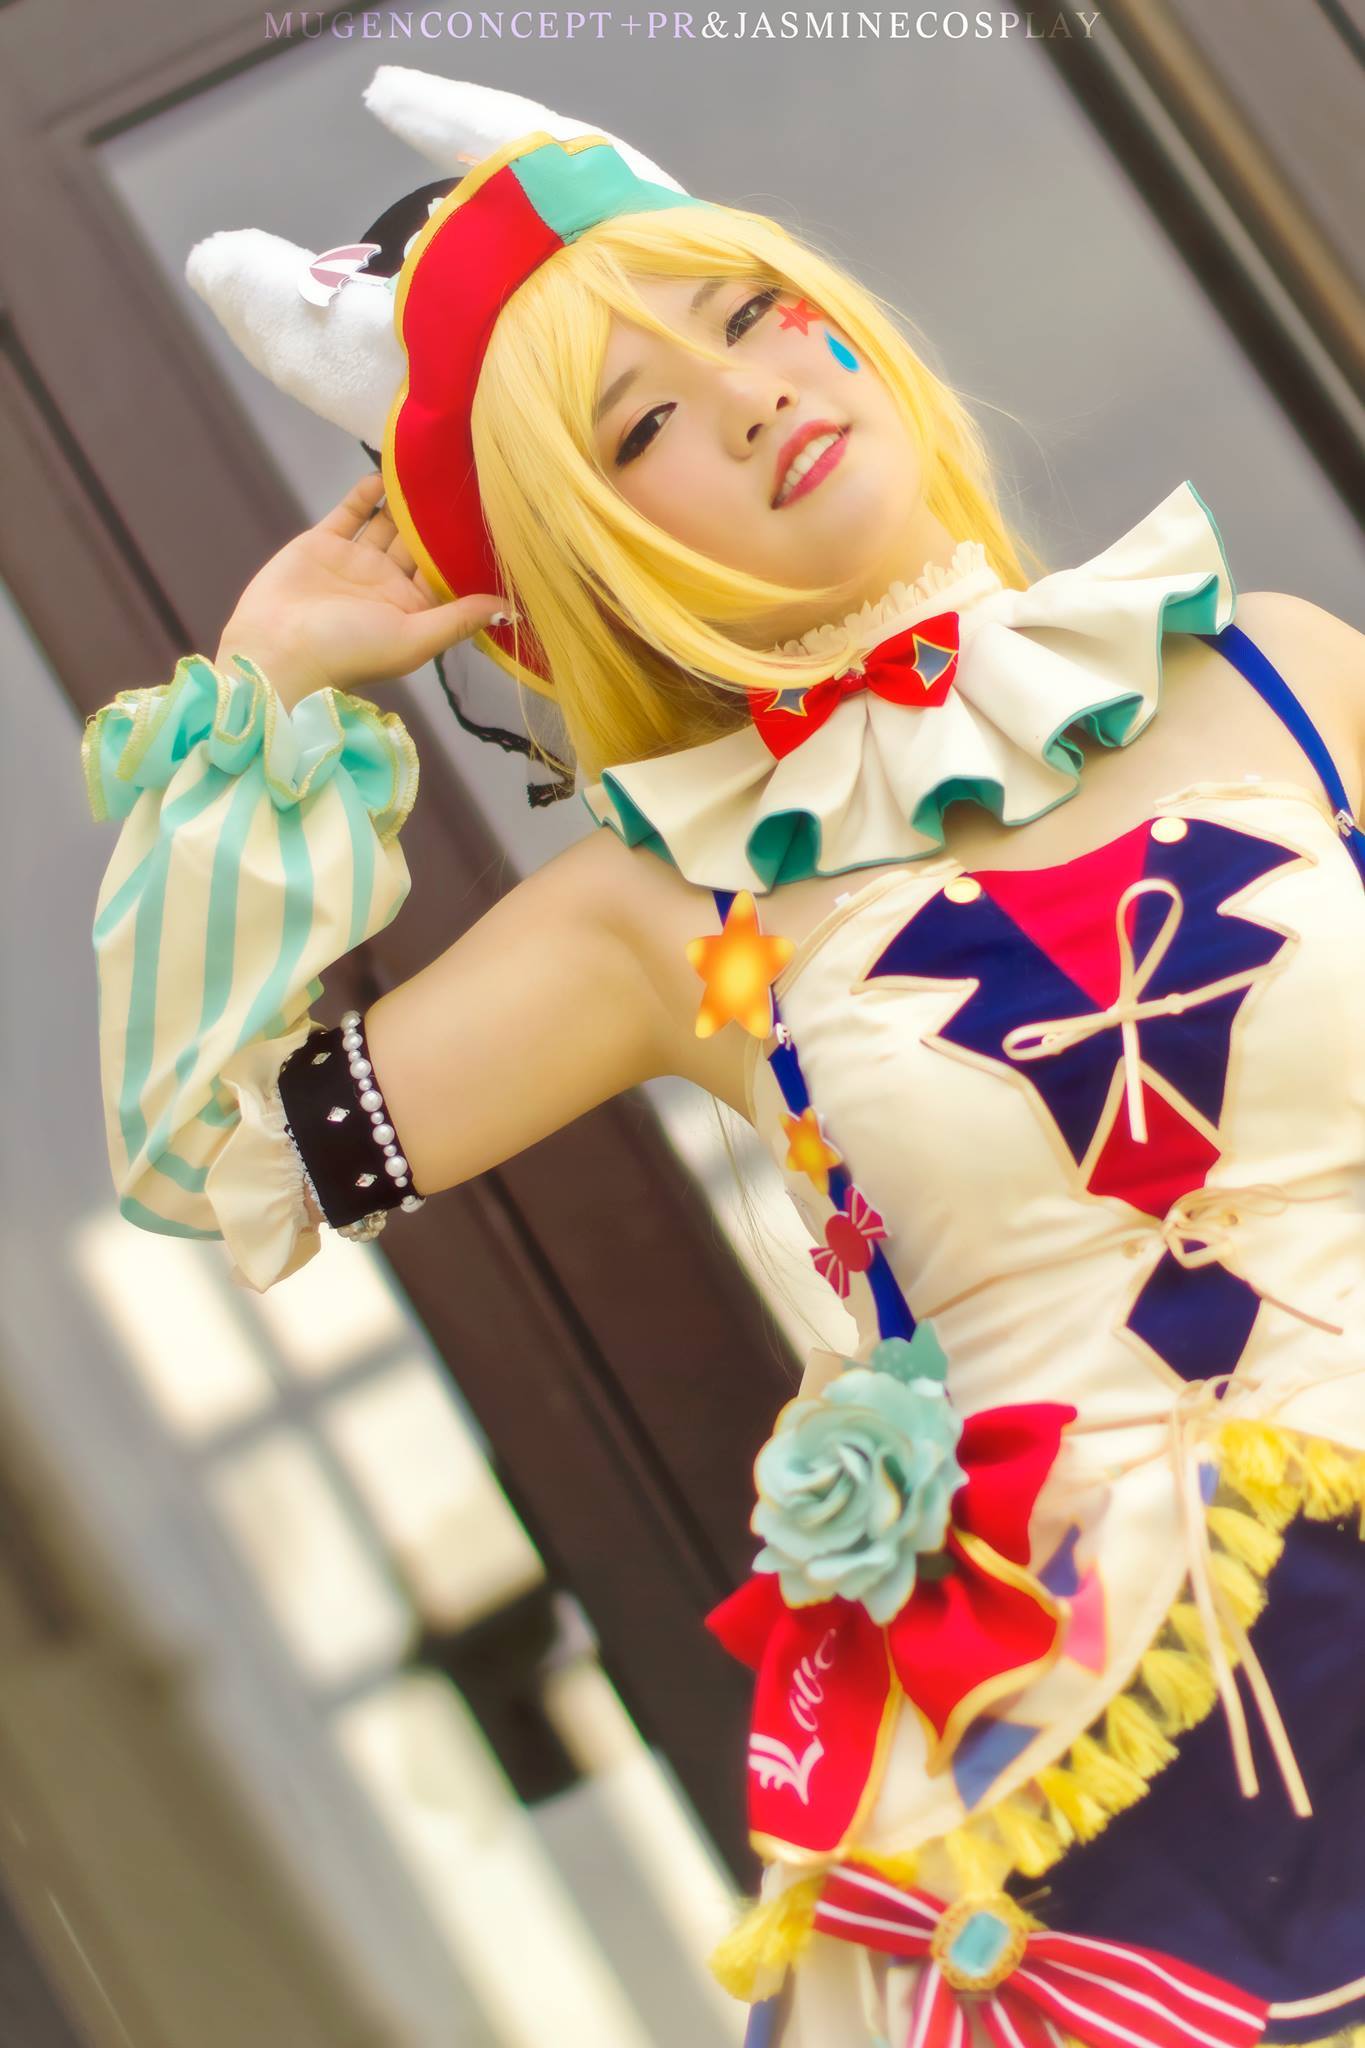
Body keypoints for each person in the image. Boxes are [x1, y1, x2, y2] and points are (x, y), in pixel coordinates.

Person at [82, 66, 1365, 2048]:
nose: (750, 397)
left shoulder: (1276, 671)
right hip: (1118, 1797)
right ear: (573, 567)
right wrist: (266, 693)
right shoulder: (661, 911)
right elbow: (212, 1154)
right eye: (639, 423)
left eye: (748, 315)